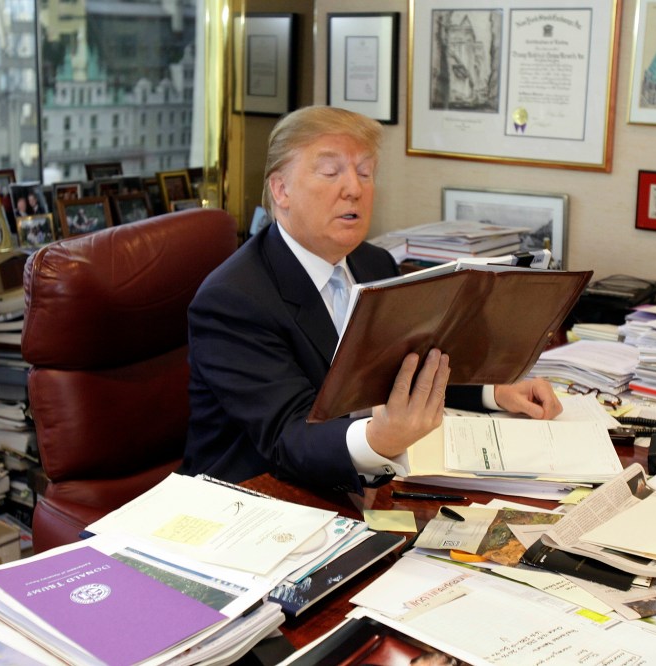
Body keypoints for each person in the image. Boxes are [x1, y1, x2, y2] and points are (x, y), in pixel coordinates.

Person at [182, 106, 562, 492]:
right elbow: (287, 437)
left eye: (365, 172)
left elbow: (405, 366)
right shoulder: (234, 300)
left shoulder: (373, 262)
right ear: (282, 190)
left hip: (354, 484)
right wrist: (381, 439)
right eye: (331, 173)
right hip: (257, 499)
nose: (354, 188)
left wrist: (493, 390)